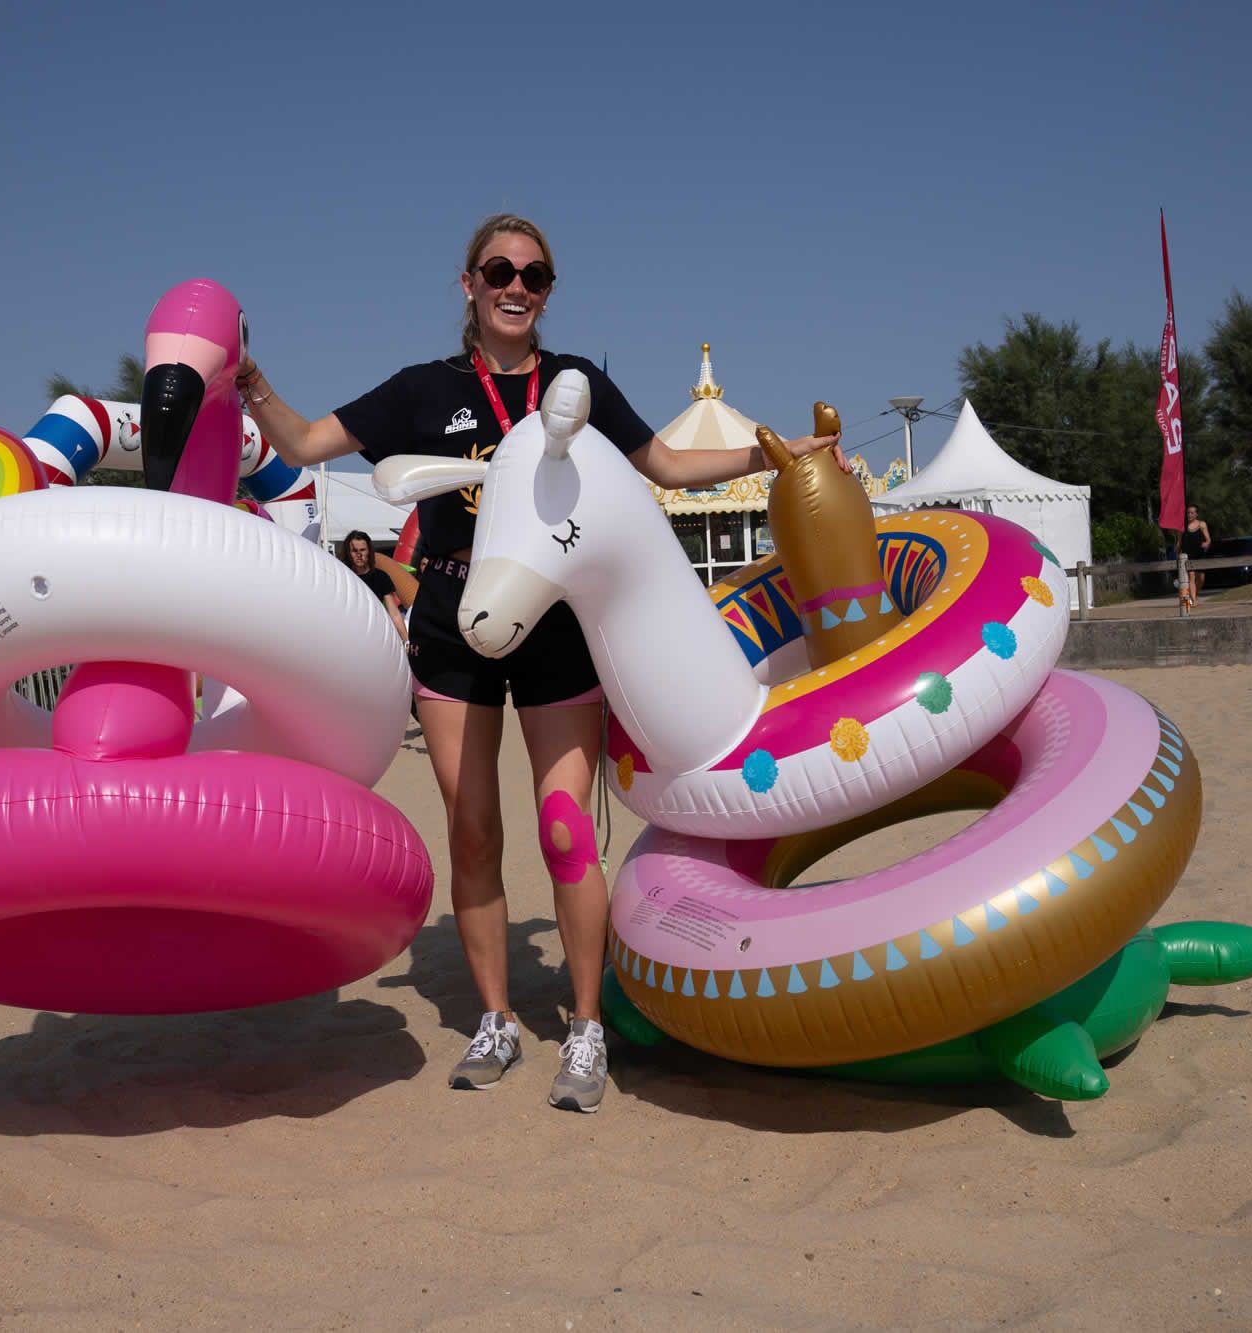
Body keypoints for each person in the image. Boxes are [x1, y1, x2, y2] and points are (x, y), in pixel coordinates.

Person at [236, 214, 844, 1112]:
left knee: (565, 828)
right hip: (453, 619)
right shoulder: (421, 389)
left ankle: (586, 1024)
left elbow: (667, 466)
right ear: (469, 284)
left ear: (549, 290)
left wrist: (772, 449)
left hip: (556, 622)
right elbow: (300, 445)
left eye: (535, 275)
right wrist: (251, 385)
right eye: (499, 271)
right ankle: (497, 1019)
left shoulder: (576, 383)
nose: (516, 287)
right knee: (473, 827)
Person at [340, 529, 408, 640]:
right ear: (348, 553)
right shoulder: (343, 576)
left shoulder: (381, 577)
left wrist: (406, 640)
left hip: (375, 633)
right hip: (349, 633)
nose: (359, 554)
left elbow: (394, 613)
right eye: (354, 550)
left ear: (369, 551)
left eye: (362, 550)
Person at [1179, 504, 1211, 612]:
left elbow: (1208, 539)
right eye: (1188, 512)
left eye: (1192, 513)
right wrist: (1177, 552)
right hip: (1187, 554)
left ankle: (1195, 595)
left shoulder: (1202, 524)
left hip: (1199, 554)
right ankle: (1193, 601)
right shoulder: (1182, 526)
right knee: (1191, 577)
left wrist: (1206, 543)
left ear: (1196, 514)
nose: (1189, 514)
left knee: (1201, 578)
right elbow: (1179, 542)